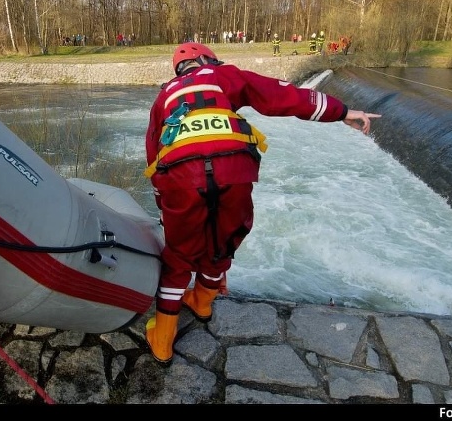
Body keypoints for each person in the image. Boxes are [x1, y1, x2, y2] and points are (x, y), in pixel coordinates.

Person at [142, 42, 380, 365]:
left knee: (178, 256)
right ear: (205, 60)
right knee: (222, 243)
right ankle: (202, 302)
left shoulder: (163, 98)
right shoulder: (224, 75)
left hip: (181, 179)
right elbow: (282, 95)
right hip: (234, 169)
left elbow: (154, 158)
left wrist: (163, 205)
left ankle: (162, 341)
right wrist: (342, 112)